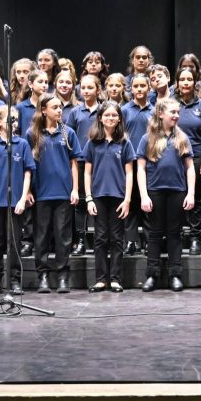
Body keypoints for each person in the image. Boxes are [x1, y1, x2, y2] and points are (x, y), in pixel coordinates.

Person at [137, 98, 196, 292]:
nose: (176, 115)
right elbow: (140, 169)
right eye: (173, 112)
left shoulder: (182, 138)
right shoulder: (147, 138)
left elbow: (190, 168)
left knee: (174, 233)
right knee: (154, 233)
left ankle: (175, 274)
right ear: (160, 114)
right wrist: (144, 195)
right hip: (155, 190)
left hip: (177, 191)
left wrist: (191, 193)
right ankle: (152, 274)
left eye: (178, 112)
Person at [28, 93, 82, 293]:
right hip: (41, 193)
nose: (59, 110)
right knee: (41, 237)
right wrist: (28, 191)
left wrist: (75, 189)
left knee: (63, 236)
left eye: (60, 107)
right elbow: (27, 165)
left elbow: (74, 163)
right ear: (44, 110)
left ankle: (62, 277)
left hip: (63, 193)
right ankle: (42, 276)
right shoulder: (33, 134)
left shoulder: (68, 133)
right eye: (55, 107)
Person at [0, 104, 34, 296]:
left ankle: (14, 280)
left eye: (16, 119)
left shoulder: (22, 144)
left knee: (15, 241)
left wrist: (22, 198)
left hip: (15, 202)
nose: (15, 122)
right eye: (11, 119)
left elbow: (28, 172)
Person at [84, 101, 136, 293]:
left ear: (120, 118)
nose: (111, 118)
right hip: (98, 196)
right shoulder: (92, 143)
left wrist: (127, 199)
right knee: (100, 238)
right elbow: (87, 172)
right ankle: (101, 279)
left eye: (114, 115)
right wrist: (88, 198)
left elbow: (129, 173)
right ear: (100, 118)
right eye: (107, 115)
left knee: (116, 239)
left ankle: (115, 279)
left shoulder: (125, 142)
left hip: (118, 197)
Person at [173, 67, 201, 255]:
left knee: (196, 197)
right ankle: (175, 235)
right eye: (182, 79)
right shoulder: (171, 103)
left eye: (189, 79)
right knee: (176, 195)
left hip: (197, 155)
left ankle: (195, 237)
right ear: (177, 82)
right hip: (174, 156)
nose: (186, 82)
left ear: (195, 82)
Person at [68, 74, 102, 255]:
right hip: (81, 161)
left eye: (90, 87)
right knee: (81, 202)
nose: (86, 91)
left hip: (102, 160)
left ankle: (100, 240)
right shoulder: (75, 112)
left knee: (100, 200)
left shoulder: (105, 109)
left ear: (98, 89)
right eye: (83, 87)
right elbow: (69, 136)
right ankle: (81, 240)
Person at [122, 74, 154, 255]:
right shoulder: (125, 110)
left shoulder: (155, 110)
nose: (140, 89)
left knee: (147, 200)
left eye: (143, 86)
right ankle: (131, 241)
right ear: (131, 88)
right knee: (131, 201)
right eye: (136, 86)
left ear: (149, 88)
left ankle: (150, 241)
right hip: (129, 162)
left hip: (149, 162)